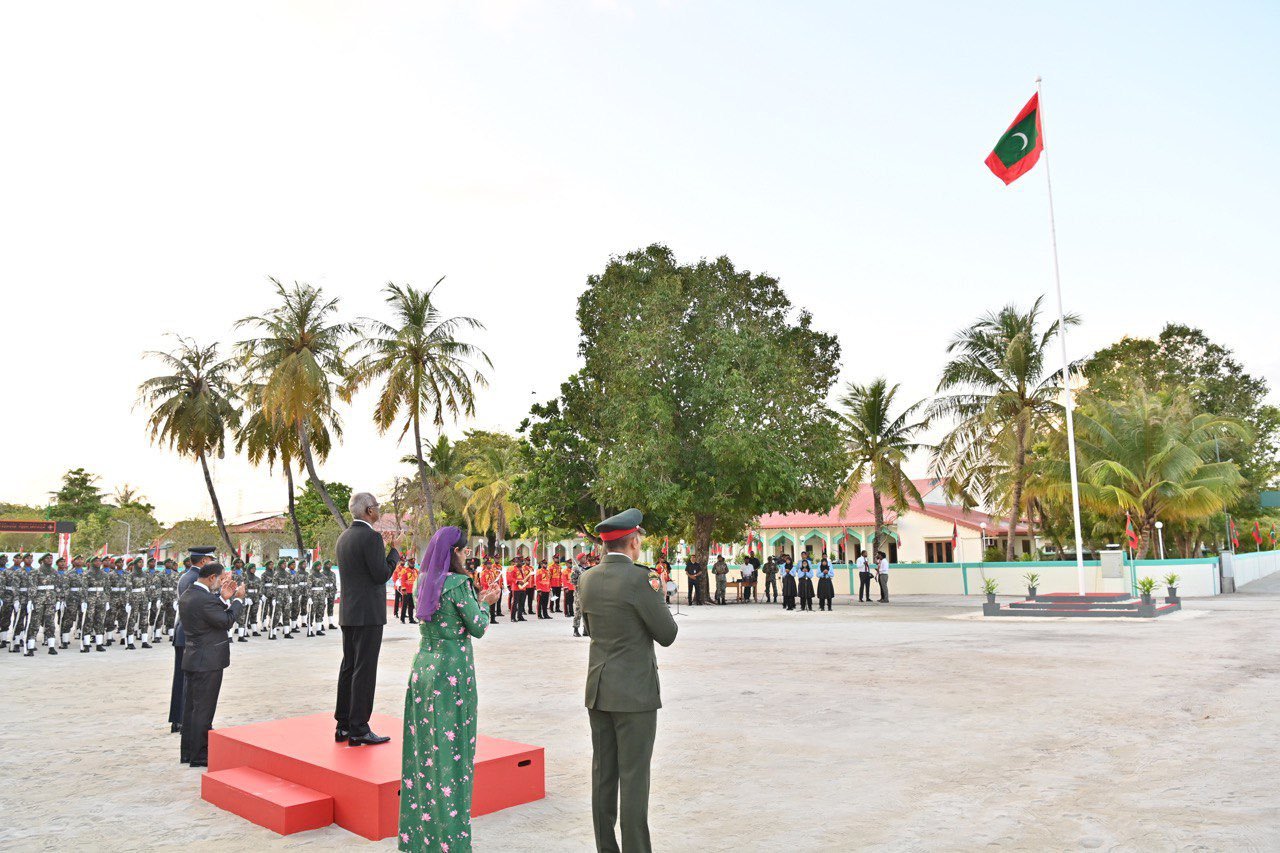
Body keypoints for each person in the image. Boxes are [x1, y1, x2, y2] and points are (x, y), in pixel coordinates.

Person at [577, 509, 678, 853]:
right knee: (634, 777)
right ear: (633, 542)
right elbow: (667, 634)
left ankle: (606, 848)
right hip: (634, 694)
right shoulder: (641, 580)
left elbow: (591, 629)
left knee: (603, 775)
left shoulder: (588, 578)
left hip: (599, 688)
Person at [398, 526, 502, 852]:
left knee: (423, 754)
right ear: (454, 552)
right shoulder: (458, 584)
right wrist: (487, 603)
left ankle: (420, 839)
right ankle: (451, 842)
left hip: (423, 670)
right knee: (453, 757)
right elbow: (478, 627)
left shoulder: (421, 582)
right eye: (464, 549)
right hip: (451, 675)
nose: (467, 553)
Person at [333, 491, 399, 747]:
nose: (378, 510)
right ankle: (359, 727)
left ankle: (343, 725)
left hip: (349, 612)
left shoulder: (344, 537)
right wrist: (394, 552)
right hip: (368, 614)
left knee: (349, 667)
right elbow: (381, 574)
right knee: (364, 670)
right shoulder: (371, 537)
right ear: (369, 510)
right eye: (377, 506)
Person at [178, 560, 245, 767]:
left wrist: (223, 598)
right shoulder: (205, 599)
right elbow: (225, 621)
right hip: (207, 661)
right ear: (211, 578)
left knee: (192, 709)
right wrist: (238, 600)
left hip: (194, 658)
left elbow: (209, 615)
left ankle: (188, 752)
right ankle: (200, 754)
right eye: (221, 578)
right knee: (203, 710)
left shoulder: (190, 594)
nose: (222, 582)